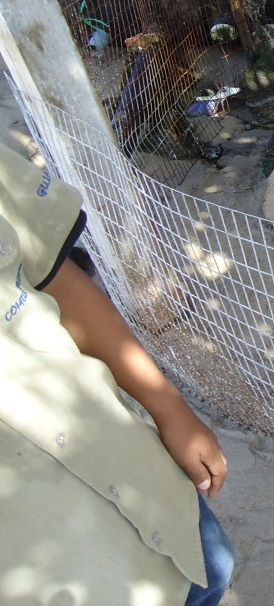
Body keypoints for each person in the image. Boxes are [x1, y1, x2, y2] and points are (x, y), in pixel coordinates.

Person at [0, 142, 234, 605]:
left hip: (117, 454)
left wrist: (170, 409)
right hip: (47, 559)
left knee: (212, 566)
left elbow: (59, 280)